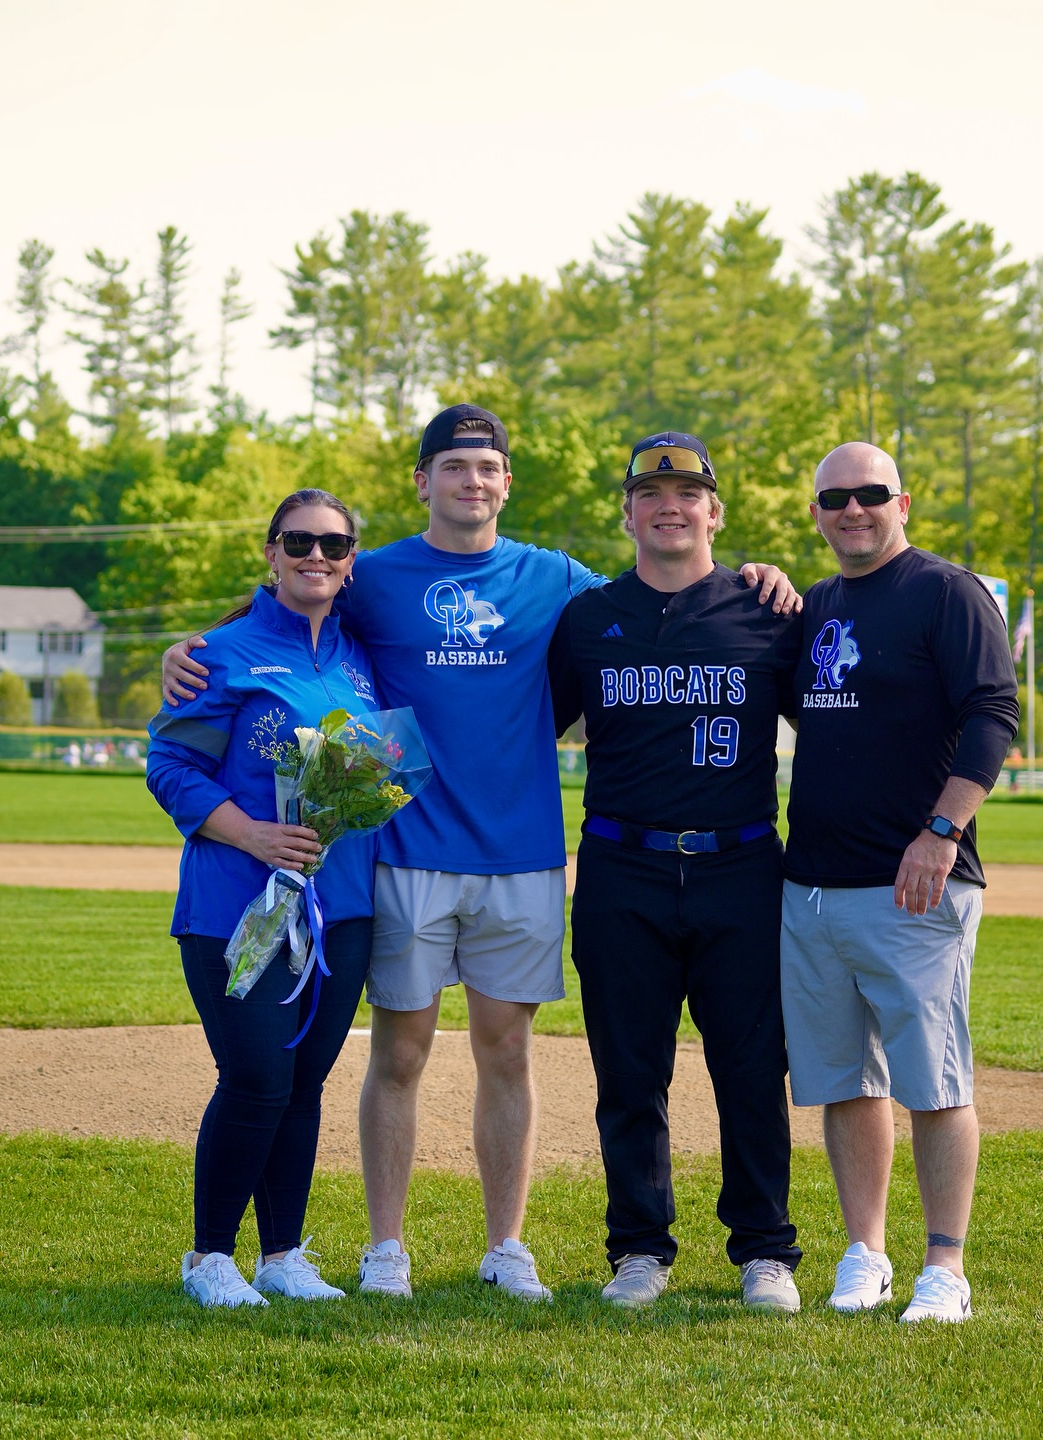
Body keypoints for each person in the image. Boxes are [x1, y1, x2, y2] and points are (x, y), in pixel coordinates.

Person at [161, 405, 799, 1302]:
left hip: (523, 856)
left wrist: (758, 576)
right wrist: (189, 648)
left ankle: (508, 1246)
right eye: (453, 466)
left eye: (486, 467)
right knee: (399, 1054)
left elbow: (662, 584)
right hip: (407, 853)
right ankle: (386, 1249)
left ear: (506, 483)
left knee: (508, 1053)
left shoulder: (558, 580)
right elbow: (287, 609)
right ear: (423, 481)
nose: (471, 481)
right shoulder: (373, 575)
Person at [548, 433, 804, 1311]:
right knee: (628, 1072)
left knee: (752, 1069)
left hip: (741, 865)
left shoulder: (767, 611)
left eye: (689, 493)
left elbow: (843, 716)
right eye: (651, 494)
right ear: (627, 515)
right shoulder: (588, 619)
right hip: (624, 865)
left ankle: (764, 1250)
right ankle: (639, 1249)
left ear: (714, 512)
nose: (670, 506)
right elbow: (520, 724)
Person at [780, 442, 1018, 1324]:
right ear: (816, 512)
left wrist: (941, 831)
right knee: (845, 1079)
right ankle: (865, 1252)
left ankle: (945, 1268)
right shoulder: (816, 606)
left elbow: (993, 712)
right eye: (835, 498)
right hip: (812, 884)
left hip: (915, 883)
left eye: (871, 494)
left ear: (902, 503)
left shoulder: (946, 592)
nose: (853, 509)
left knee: (935, 1081)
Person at [147, 488, 379, 1309]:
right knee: (255, 1077)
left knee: (304, 1081)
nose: (316, 556)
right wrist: (251, 835)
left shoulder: (362, 655)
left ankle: (282, 1256)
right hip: (236, 905)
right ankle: (210, 1257)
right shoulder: (220, 654)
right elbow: (169, 766)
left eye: (333, 545)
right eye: (298, 541)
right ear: (271, 553)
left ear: (351, 561)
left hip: (341, 909)